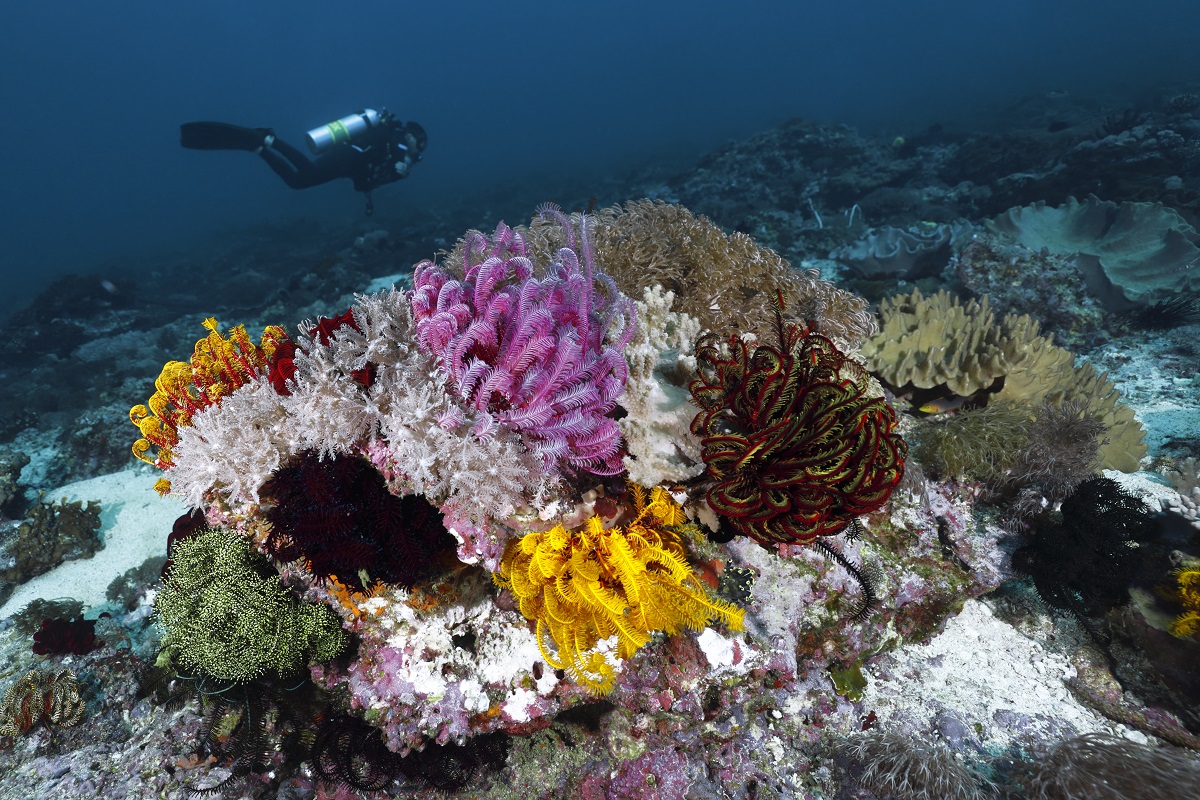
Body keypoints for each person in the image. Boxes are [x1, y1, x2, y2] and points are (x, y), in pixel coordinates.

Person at [180, 108, 426, 215]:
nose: (418, 151)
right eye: (420, 144)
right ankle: (269, 140)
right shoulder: (398, 142)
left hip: (348, 163)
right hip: (347, 156)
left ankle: (260, 146)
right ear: (412, 137)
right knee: (305, 171)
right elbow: (384, 155)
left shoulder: (396, 145)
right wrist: (399, 170)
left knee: (298, 181)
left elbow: (364, 183)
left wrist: (394, 175)